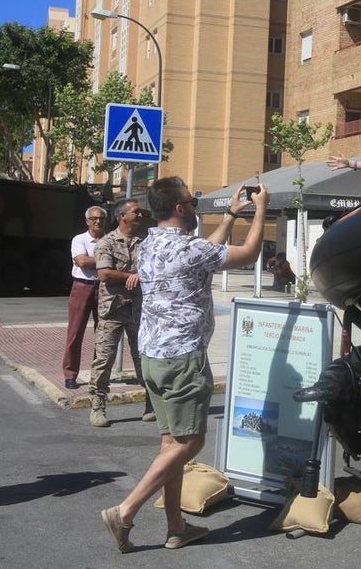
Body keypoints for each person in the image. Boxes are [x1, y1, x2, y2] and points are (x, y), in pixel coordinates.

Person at [102, 177, 268, 553]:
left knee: (171, 443)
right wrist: (260, 210)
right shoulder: (190, 248)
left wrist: (230, 214)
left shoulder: (148, 244)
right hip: (182, 357)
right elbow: (248, 254)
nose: (195, 207)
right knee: (191, 441)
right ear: (180, 208)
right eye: (192, 202)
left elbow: (206, 251)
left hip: (153, 356)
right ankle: (125, 511)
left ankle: (177, 527)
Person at [88, 200, 154, 428]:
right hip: (112, 310)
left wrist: (140, 276)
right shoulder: (106, 242)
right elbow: (104, 274)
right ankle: (98, 406)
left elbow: (154, 269)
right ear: (122, 216)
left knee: (144, 358)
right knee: (104, 359)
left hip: (139, 310)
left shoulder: (146, 242)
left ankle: (151, 404)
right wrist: (132, 276)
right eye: (136, 212)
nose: (140, 215)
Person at [63, 205, 106, 390]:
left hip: (104, 289)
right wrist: (107, 262)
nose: (98, 222)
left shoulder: (109, 240)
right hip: (82, 287)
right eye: (94, 218)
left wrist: (94, 262)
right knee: (75, 333)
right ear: (87, 221)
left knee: (103, 334)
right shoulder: (79, 239)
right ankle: (70, 374)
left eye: (101, 218)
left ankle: (99, 375)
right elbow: (81, 261)